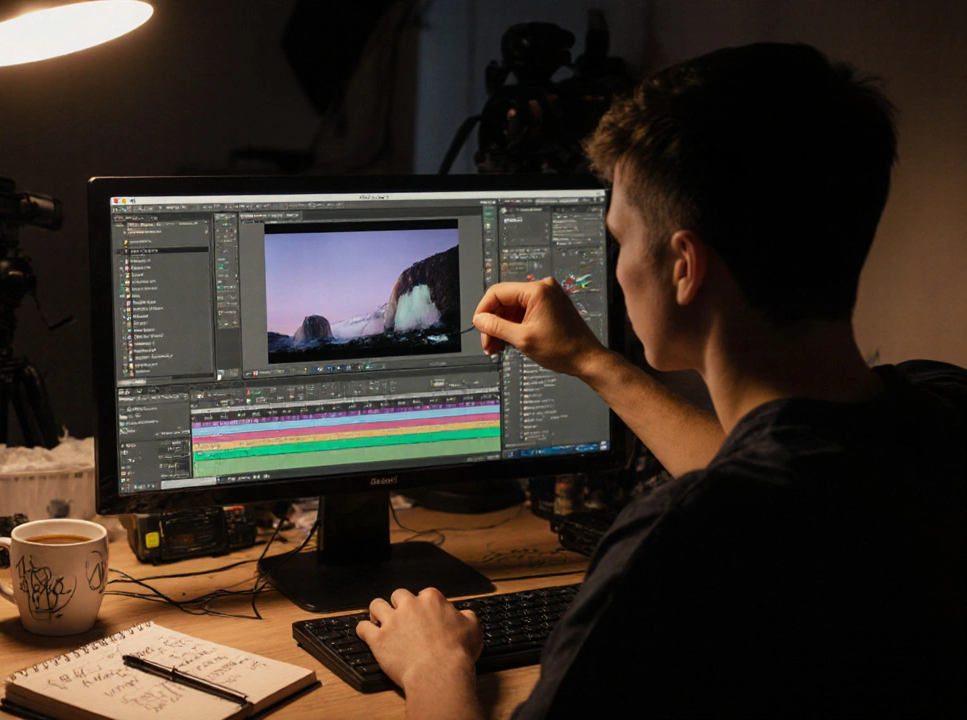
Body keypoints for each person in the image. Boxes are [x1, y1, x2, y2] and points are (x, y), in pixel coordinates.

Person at [355, 42, 967, 719]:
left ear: (684, 267)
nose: (616, 271)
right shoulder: (941, 410)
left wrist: (434, 666)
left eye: (620, 240)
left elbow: (736, 500)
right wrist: (590, 359)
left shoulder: (682, 544)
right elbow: (781, 468)